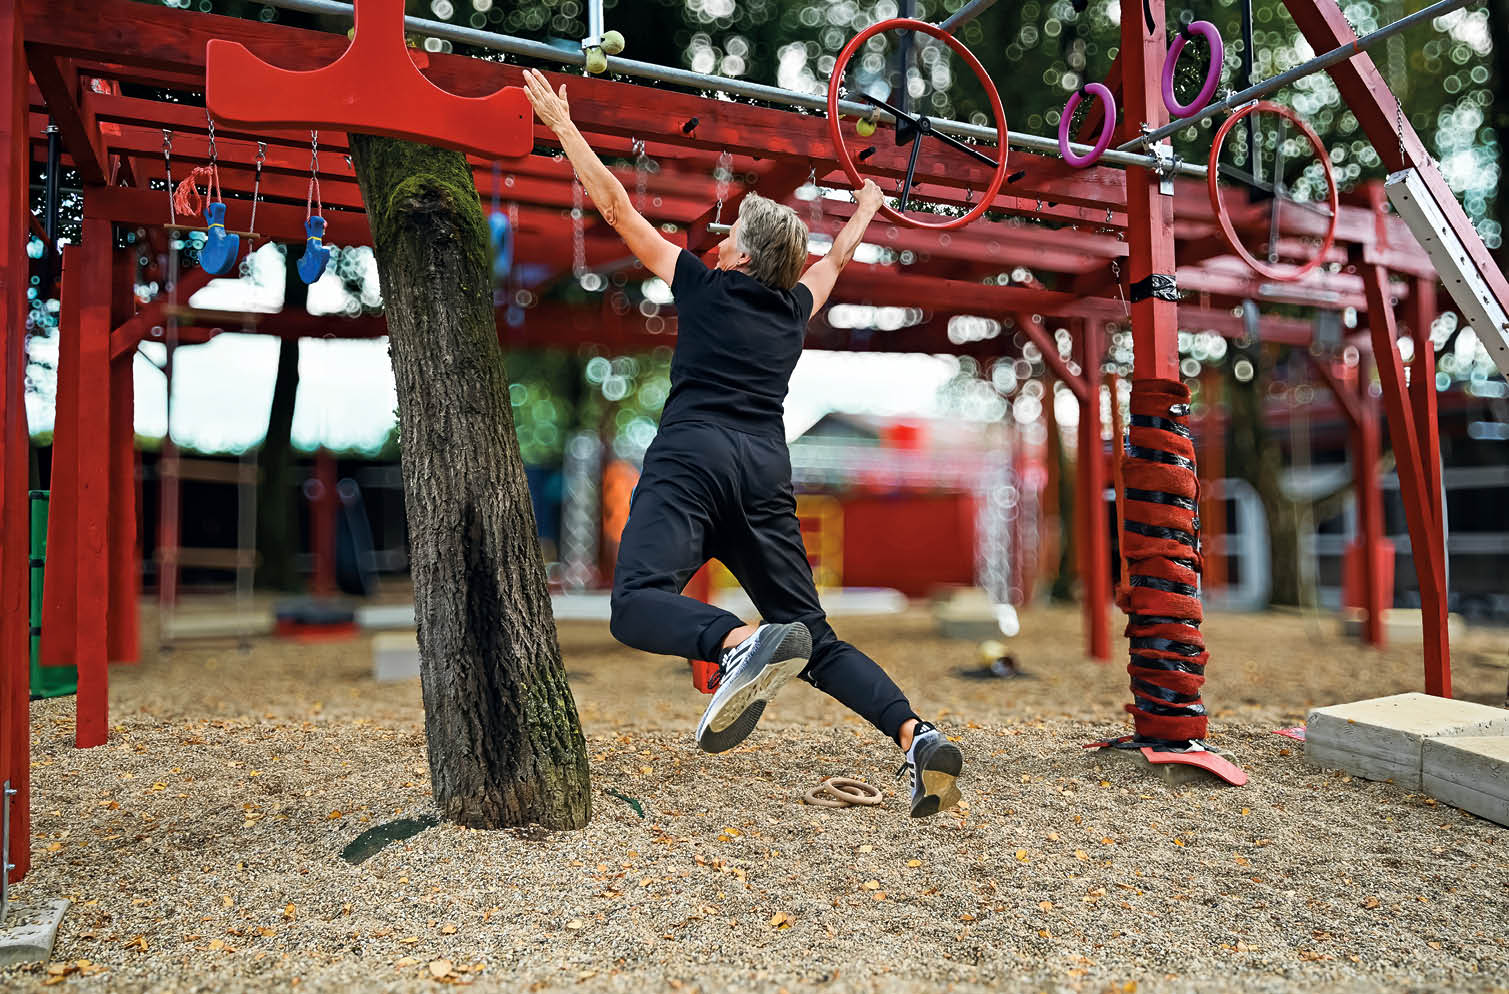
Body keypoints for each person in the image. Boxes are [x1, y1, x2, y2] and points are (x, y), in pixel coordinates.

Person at [523, 70, 963, 817]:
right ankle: (916, 736)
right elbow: (832, 263)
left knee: (634, 606)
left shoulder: (701, 284)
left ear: (742, 259)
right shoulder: (792, 308)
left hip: (694, 457)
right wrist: (864, 208)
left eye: (728, 237)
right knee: (816, 639)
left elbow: (615, 207)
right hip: (762, 471)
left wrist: (564, 128)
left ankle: (735, 645)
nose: (716, 240)